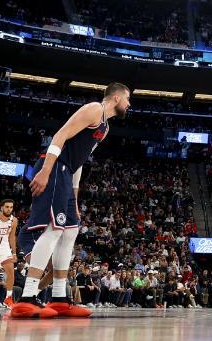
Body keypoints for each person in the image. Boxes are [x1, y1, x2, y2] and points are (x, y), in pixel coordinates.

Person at [11, 83, 129, 319]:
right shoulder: (95, 109)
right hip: (54, 167)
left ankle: (59, 298)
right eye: (128, 99)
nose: (129, 104)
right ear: (116, 97)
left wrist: (74, 197)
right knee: (54, 230)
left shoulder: (105, 126)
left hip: (66, 172)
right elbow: (60, 135)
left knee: (70, 231)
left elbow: (79, 161)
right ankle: (27, 297)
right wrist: (45, 170)